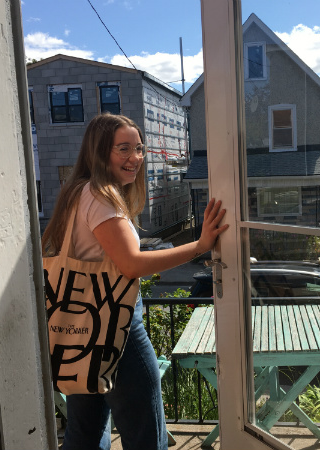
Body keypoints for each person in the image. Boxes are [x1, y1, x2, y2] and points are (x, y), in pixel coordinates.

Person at [42, 112, 229, 450]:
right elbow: (130, 265)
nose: (135, 158)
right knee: (145, 433)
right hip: (116, 325)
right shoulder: (100, 196)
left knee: (84, 431)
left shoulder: (77, 191)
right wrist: (200, 246)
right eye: (123, 149)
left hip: (81, 330)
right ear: (99, 152)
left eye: (140, 149)